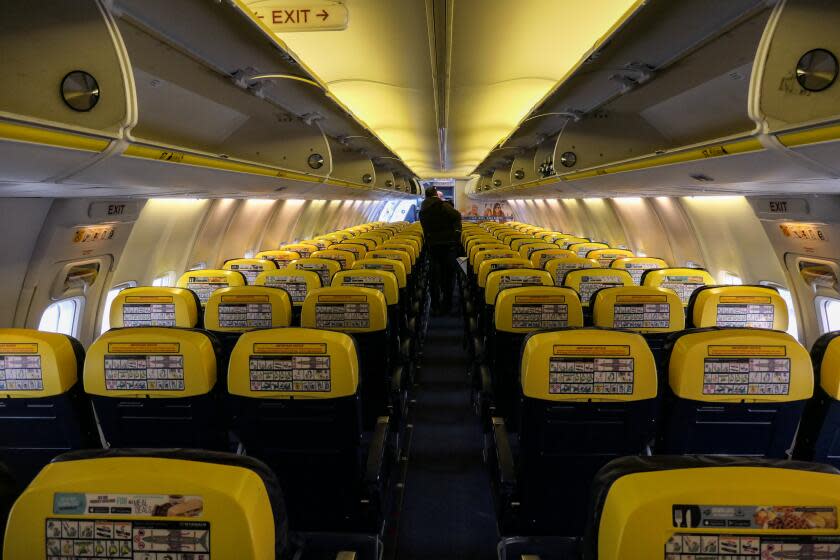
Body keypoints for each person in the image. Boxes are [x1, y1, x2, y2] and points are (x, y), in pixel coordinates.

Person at [419, 186, 461, 315]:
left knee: (434, 277)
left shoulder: (423, 210)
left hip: (432, 247)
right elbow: (457, 215)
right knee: (448, 276)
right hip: (447, 246)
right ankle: (447, 304)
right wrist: (455, 234)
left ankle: (435, 305)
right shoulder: (443, 206)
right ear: (436, 195)